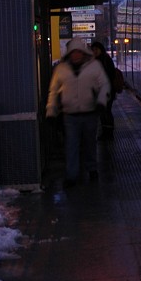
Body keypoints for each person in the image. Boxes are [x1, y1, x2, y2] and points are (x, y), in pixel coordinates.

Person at [46, 37, 110, 187]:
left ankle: (92, 168)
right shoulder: (61, 69)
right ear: (69, 54)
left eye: (78, 53)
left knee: (89, 143)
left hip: (90, 112)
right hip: (70, 115)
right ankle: (71, 176)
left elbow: (104, 84)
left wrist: (101, 101)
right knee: (72, 145)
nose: (76, 56)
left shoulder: (94, 66)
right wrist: (51, 111)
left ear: (83, 53)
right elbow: (53, 91)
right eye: (73, 53)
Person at [91, 41, 117, 139]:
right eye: (93, 50)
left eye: (96, 49)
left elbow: (111, 74)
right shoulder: (95, 61)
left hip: (107, 91)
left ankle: (109, 133)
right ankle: (106, 132)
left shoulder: (105, 60)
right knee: (103, 112)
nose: (95, 51)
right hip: (99, 91)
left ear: (101, 50)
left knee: (106, 111)